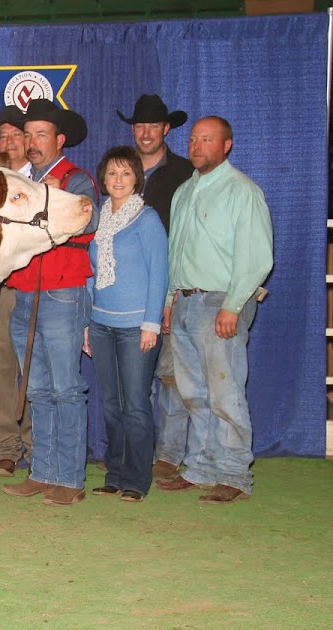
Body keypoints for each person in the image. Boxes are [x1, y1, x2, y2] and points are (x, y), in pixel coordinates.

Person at [156, 116, 273, 504]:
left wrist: (233, 305)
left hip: (220, 301)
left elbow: (256, 258)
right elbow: (176, 253)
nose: (196, 146)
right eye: (193, 139)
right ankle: (203, 466)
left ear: (226, 146)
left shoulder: (243, 191)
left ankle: (235, 474)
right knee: (193, 393)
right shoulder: (184, 192)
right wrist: (171, 300)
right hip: (187, 300)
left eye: (207, 139)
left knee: (224, 390)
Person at [1, 99, 99, 507]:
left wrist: (50, 203)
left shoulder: (75, 180)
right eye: (28, 134)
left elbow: (88, 223)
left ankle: (70, 477)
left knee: (65, 387)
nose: (33, 142)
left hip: (61, 291)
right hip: (26, 292)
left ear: (60, 139)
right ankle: (43, 472)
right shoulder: (23, 183)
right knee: (38, 388)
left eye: (41, 134)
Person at [82, 146, 168, 503]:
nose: (118, 180)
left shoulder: (147, 220)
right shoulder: (99, 221)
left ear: (137, 179)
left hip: (136, 326)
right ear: (103, 179)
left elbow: (159, 273)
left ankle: (137, 479)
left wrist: (151, 323)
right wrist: (88, 323)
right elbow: (90, 276)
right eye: (112, 174)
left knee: (135, 404)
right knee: (112, 405)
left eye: (126, 174)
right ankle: (115, 474)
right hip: (101, 324)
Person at [117, 94, 195, 482]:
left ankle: (168, 454)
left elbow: (189, 233)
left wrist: (178, 285)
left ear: (166, 129)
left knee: (171, 374)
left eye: (153, 126)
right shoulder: (121, 172)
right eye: (139, 126)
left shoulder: (183, 172)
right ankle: (137, 452)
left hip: (171, 288)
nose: (145, 133)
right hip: (128, 292)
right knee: (134, 379)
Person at [0, 105, 33, 476]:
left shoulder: (41, 184)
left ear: (28, 142)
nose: (9, 142)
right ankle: (6, 449)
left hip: (32, 286)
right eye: (3, 137)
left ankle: (36, 446)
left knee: (34, 370)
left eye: (16, 135)